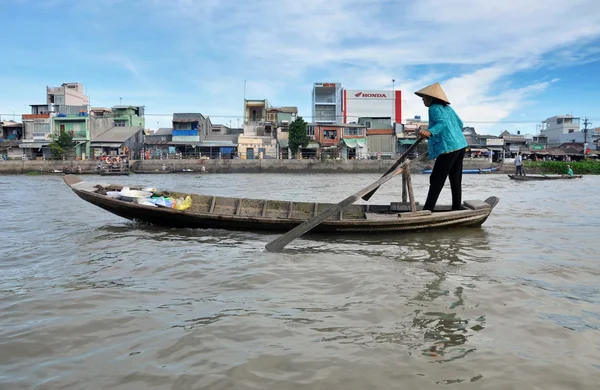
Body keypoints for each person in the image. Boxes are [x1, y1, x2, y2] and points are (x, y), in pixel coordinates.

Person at [415, 83, 468, 211]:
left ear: (430, 97)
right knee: (455, 179)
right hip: (460, 145)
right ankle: (456, 207)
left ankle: (428, 209)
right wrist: (450, 133)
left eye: (424, 97)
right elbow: (460, 123)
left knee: (436, 179)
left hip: (448, 147)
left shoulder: (433, 108)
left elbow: (442, 123)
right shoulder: (448, 108)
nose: (423, 100)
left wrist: (430, 132)